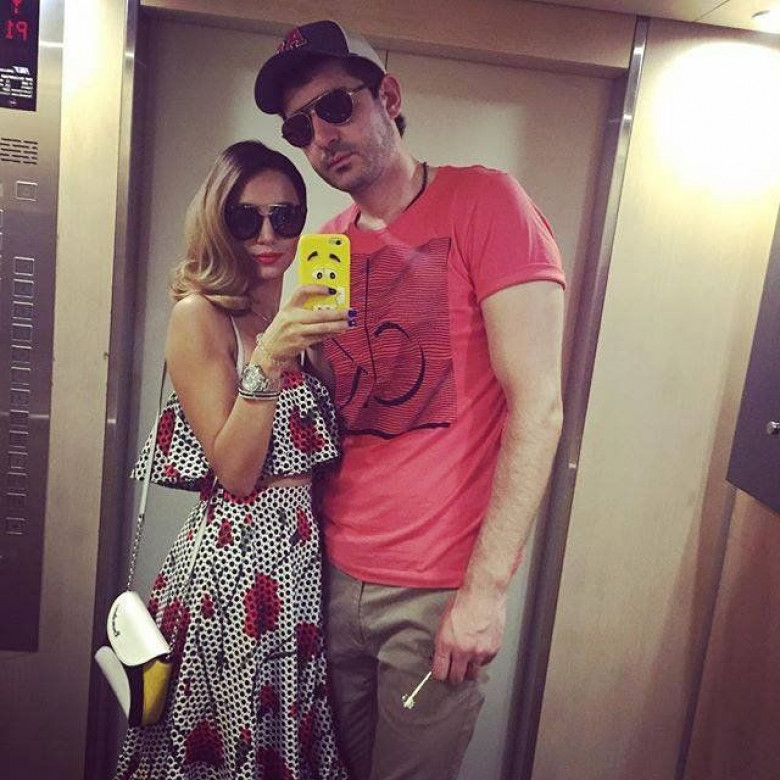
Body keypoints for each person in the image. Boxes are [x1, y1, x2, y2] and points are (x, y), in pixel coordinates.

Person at [254, 20, 567, 780]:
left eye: (336, 106)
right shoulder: (328, 242)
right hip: (331, 574)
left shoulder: (486, 203)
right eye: (299, 126)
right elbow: (331, 415)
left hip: (435, 588)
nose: (321, 137)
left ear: (388, 97)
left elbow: (539, 407)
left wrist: (485, 592)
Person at [114, 140, 353, 779]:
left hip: (299, 564)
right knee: (222, 744)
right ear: (219, 221)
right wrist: (269, 356)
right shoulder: (201, 316)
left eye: (286, 216)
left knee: (279, 739)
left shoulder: (293, 313)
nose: (268, 235)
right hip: (233, 569)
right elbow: (237, 471)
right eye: (247, 218)